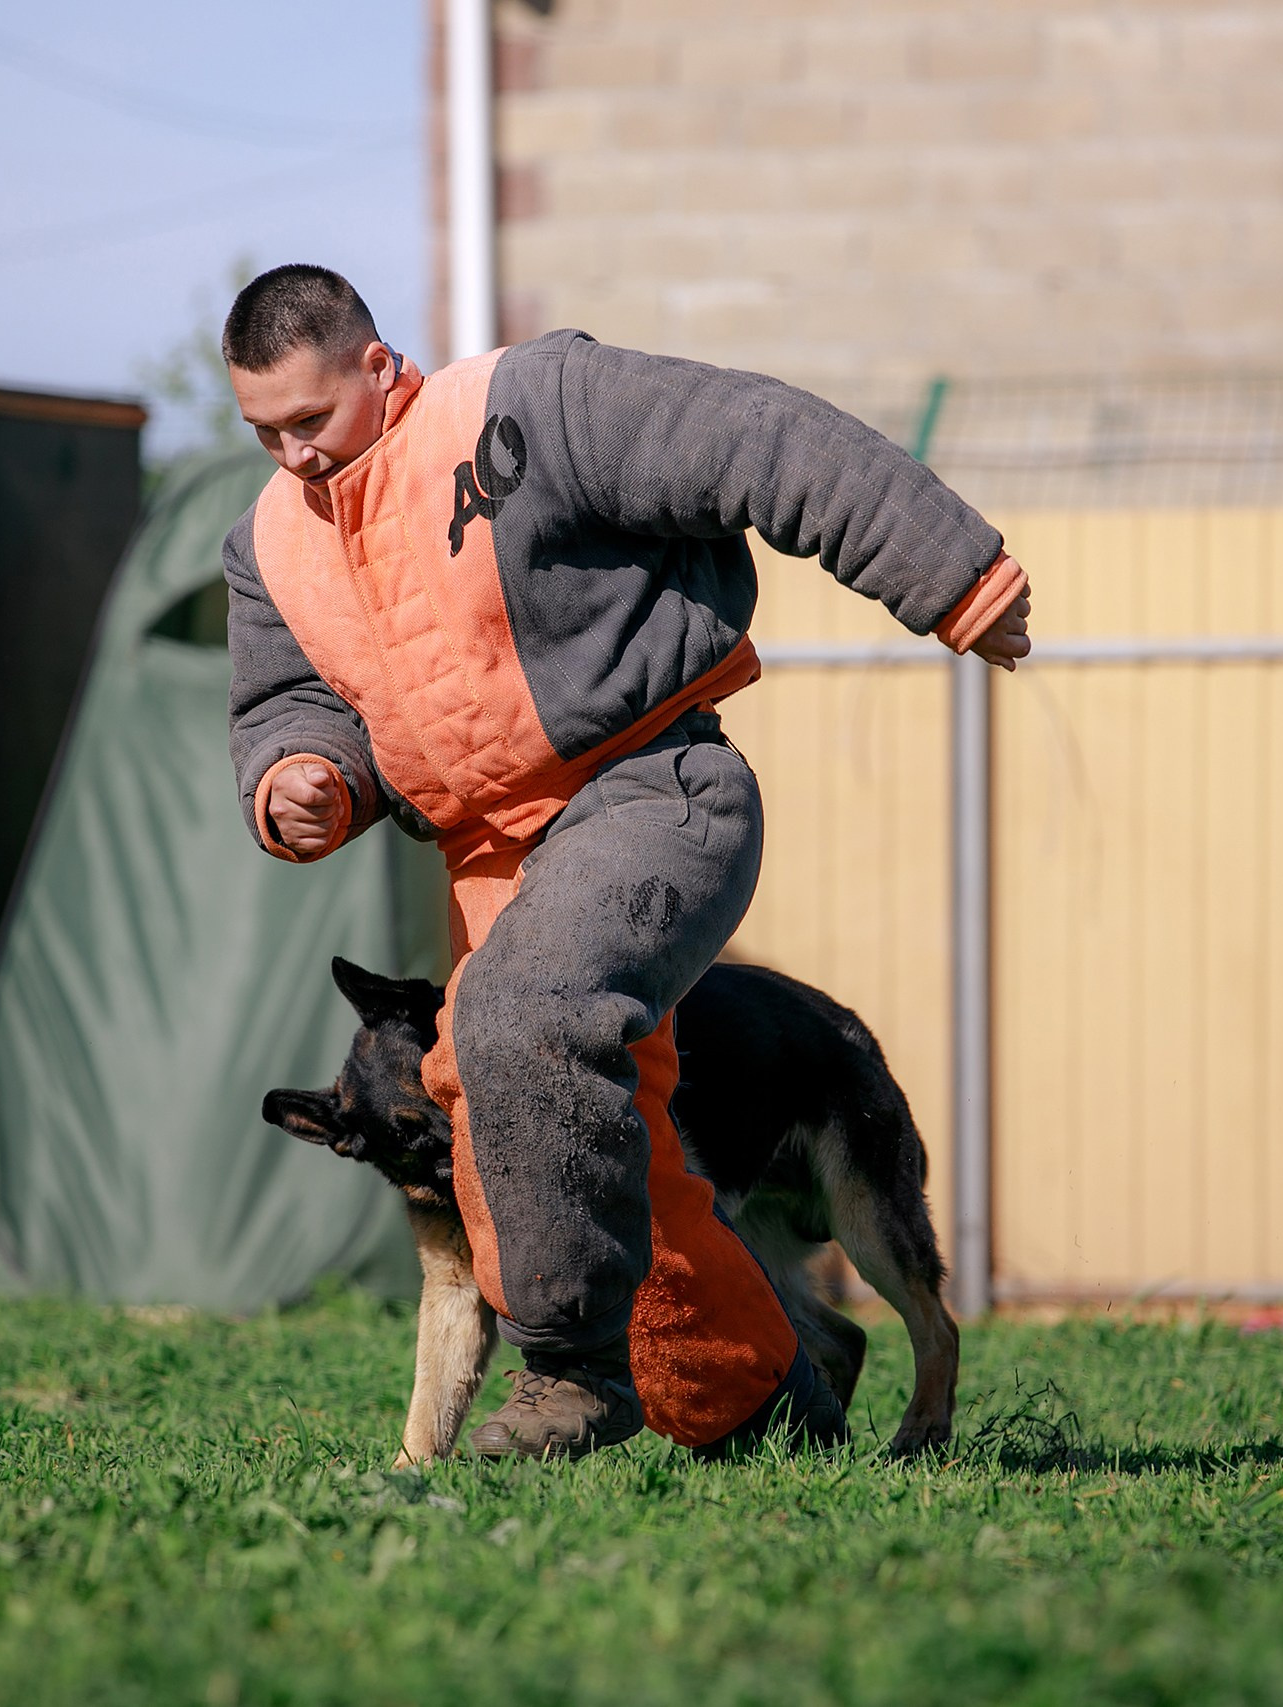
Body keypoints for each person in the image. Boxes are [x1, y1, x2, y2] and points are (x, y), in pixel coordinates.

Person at [222, 264, 1029, 1459]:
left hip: (652, 790)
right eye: (262, 432)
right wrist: (300, 776)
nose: (291, 455)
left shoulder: (533, 406)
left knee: (516, 1018)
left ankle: (573, 1374)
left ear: (380, 369)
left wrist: (951, 573)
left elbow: (760, 437)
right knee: (546, 1142)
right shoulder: (267, 548)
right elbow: (288, 702)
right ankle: (767, 1405)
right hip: (490, 859)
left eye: (310, 418)